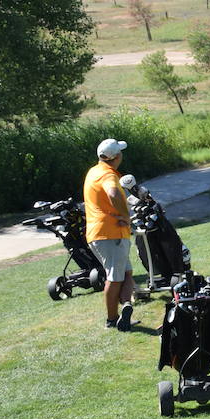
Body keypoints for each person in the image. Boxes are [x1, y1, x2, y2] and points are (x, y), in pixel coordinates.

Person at [84, 138, 135, 331]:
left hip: (100, 233)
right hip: (111, 233)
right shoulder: (108, 175)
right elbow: (113, 194)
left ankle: (126, 307)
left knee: (126, 273)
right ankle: (112, 320)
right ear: (116, 157)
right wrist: (126, 216)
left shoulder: (94, 171)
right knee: (114, 278)